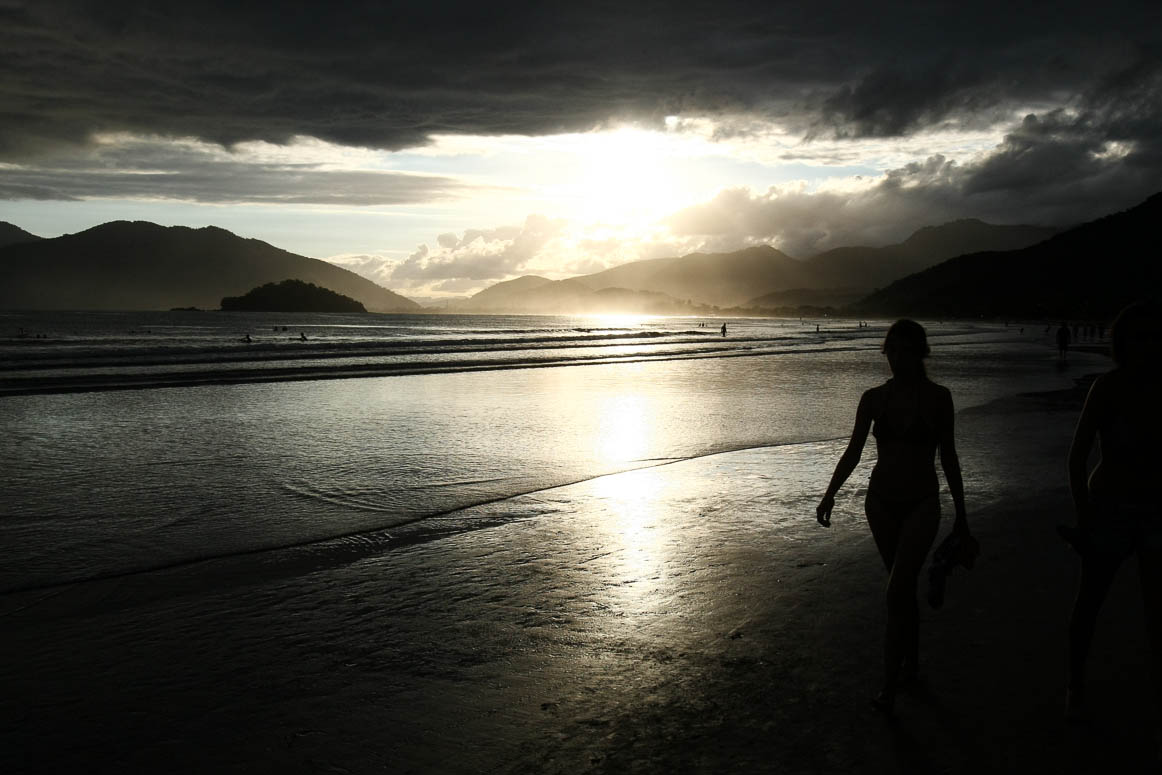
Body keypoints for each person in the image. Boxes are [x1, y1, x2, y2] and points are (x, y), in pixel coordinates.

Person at [816, 319, 970, 713]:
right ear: (886, 353)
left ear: (921, 352)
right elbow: (853, 451)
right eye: (893, 350)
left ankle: (888, 684)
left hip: (922, 502)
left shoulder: (940, 398)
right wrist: (830, 494)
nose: (899, 358)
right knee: (901, 588)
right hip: (880, 502)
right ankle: (912, 664)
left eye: (907, 350)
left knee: (896, 590)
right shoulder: (872, 399)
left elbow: (948, 457)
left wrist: (963, 515)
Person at [1062, 301, 1162, 739]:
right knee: (1090, 602)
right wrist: (1084, 516)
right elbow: (1076, 457)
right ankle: (1075, 689)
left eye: (1152, 337)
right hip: (1108, 509)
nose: (1145, 346)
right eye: (1137, 338)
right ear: (1122, 343)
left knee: (1157, 611)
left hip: (1156, 511)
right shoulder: (1106, 388)